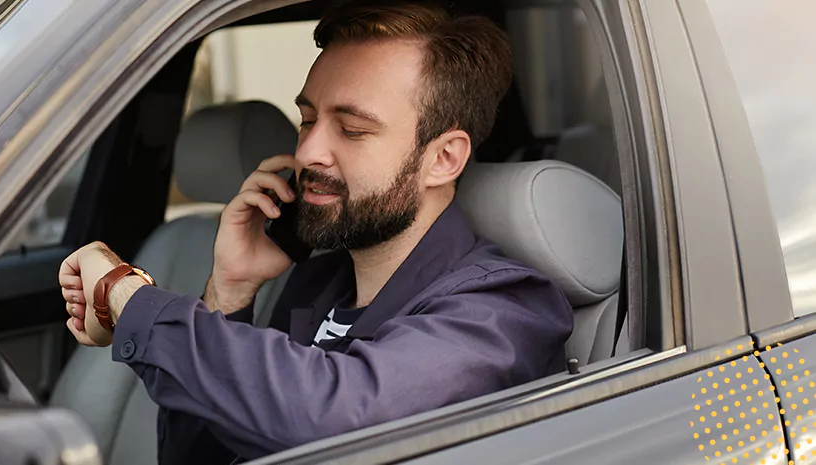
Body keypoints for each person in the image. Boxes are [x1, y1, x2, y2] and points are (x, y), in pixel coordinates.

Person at [58, 1, 573, 463]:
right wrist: (230, 289)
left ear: (442, 158)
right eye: (307, 120)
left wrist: (126, 297)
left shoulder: (504, 311)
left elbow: (338, 420)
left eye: (352, 130)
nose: (307, 153)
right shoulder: (318, 281)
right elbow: (203, 455)